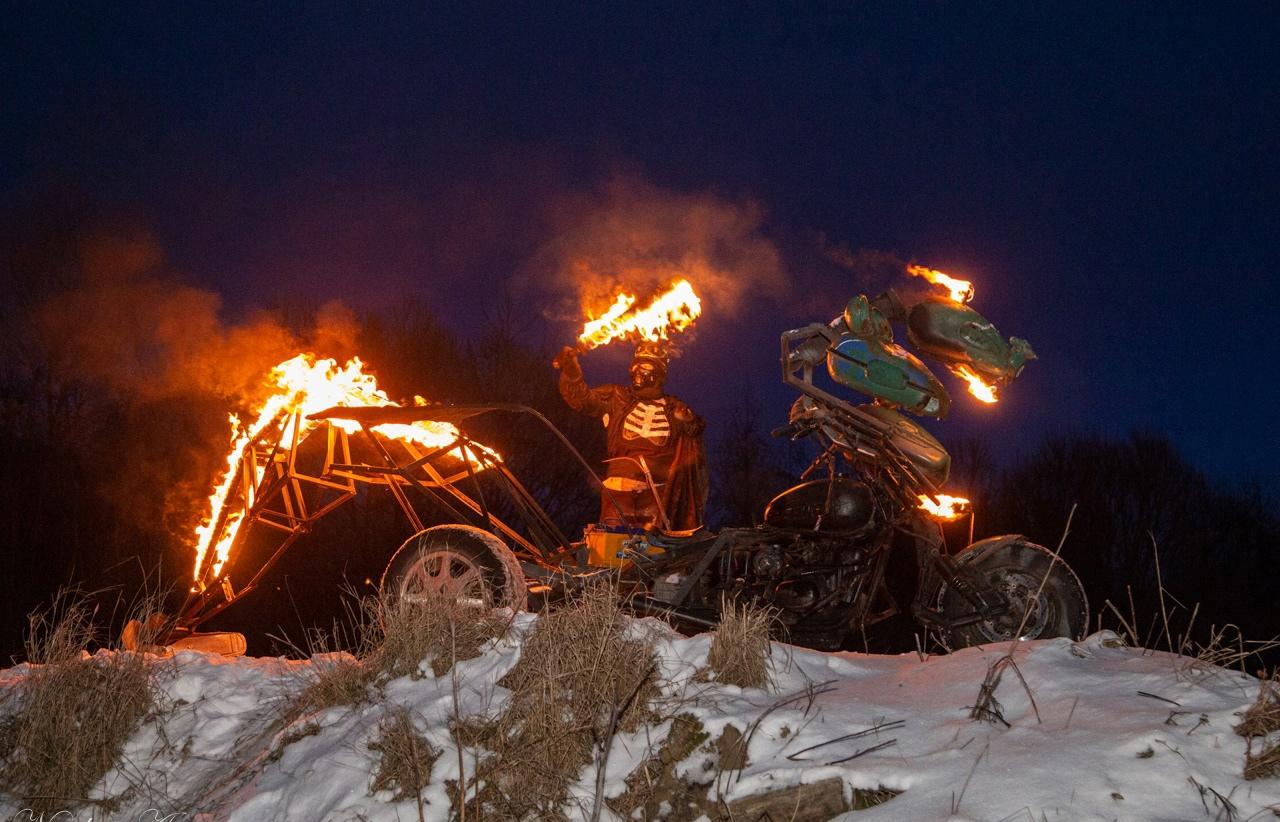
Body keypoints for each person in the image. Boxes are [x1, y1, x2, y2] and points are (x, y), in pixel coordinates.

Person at [554, 341, 708, 531]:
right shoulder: (617, 396)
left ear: (659, 374)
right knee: (612, 541)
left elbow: (694, 435)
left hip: (656, 494)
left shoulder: (674, 408)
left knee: (652, 549)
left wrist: (687, 420)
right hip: (618, 490)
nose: (637, 371)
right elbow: (582, 399)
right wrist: (572, 372)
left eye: (644, 367)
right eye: (635, 365)